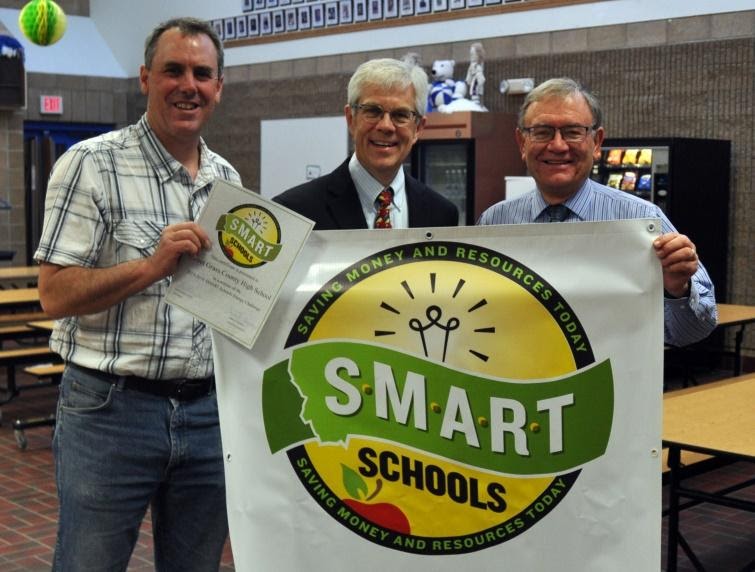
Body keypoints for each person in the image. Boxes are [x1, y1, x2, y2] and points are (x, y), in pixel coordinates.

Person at [34, 17, 239, 571]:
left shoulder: (227, 180)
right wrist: (151, 267)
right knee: (88, 563)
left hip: (207, 414)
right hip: (110, 411)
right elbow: (53, 295)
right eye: (173, 70)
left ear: (219, 88)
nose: (187, 85)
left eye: (202, 73)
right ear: (146, 77)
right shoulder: (90, 163)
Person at [477, 77, 716, 347]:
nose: (557, 145)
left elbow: (697, 330)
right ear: (522, 143)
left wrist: (677, 291)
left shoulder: (642, 221)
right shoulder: (493, 222)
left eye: (572, 131)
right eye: (542, 132)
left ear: (597, 142)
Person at [273, 58, 458, 229]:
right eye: (372, 111)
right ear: (350, 119)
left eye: (400, 115)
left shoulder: (442, 215)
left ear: (418, 128)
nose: (386, 126)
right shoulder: (294, 213)